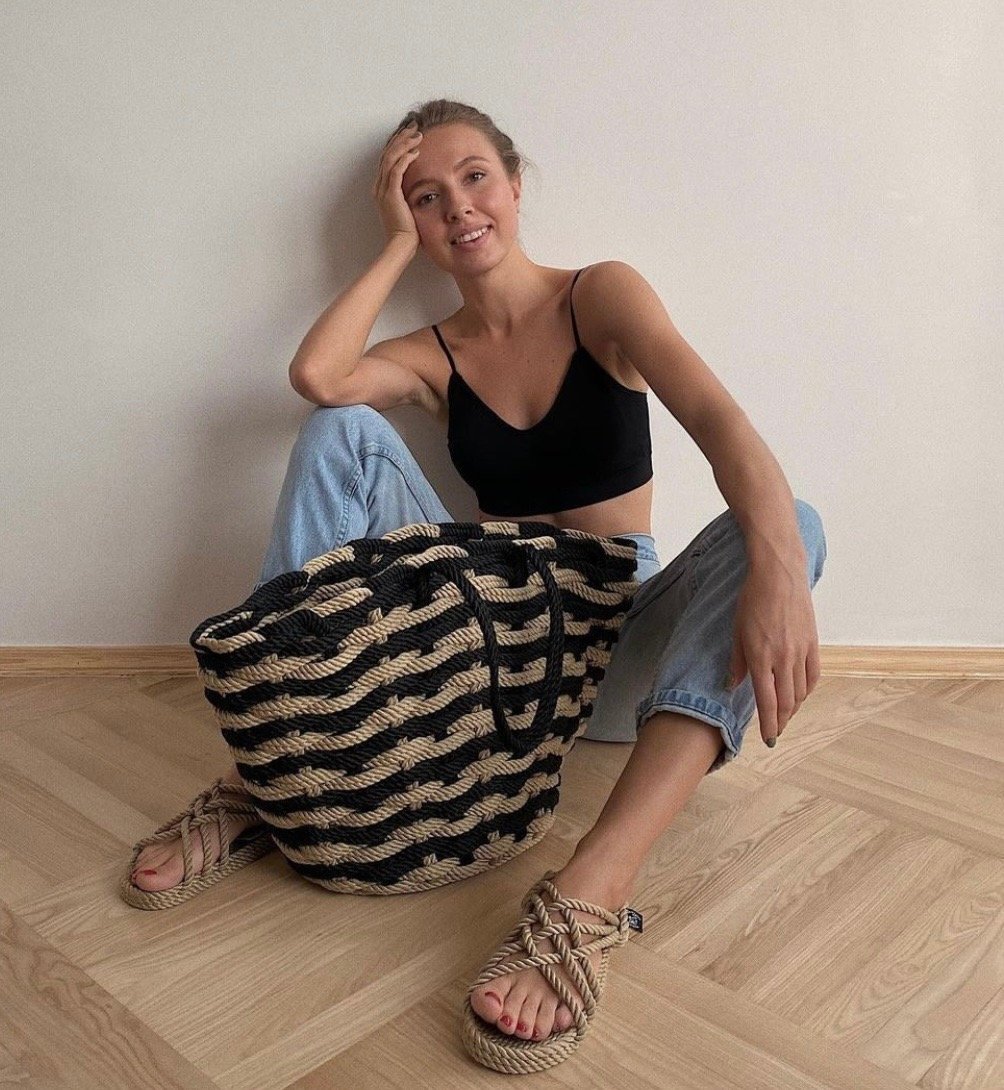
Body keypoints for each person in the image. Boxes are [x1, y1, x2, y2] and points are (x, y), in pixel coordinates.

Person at [123, 99, 826, 1069]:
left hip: (619, 644)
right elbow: (320, 376)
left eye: (473, 177)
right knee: (341, 431)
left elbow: (720, 422)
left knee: (794, 521)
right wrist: (389, 247)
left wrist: (779, 571)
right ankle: (270, 766)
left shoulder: (601, 295)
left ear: (515, 184)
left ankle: (593, 885)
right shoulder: (434, 355)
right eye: (424, 196)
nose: (456, 205)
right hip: (493, 659)